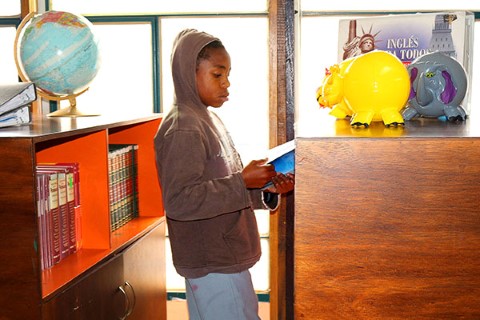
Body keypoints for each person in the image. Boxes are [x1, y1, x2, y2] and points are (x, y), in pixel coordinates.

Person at [154, 28, 295, 319]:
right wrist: (243, 181)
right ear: (187, 72)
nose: (226, 84)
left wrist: (263, 189)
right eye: (217, 75)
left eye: (227, 74)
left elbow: (219, 185)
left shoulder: (206, 118)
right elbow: (181, 200)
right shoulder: (184, 127)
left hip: (223, 254)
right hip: (212, 262)